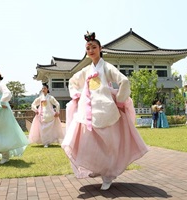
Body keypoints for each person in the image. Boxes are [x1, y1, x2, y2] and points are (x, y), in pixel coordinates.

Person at [61, 32, 148, 190]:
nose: (91, 50)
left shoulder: (107, 67)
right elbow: (73, 81)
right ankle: (96, 168)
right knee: (89, 143)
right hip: (87, 111)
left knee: (109, 145)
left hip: (106, 110)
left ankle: (108, 175)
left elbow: (124, 81)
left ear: (100, 49)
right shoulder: (86, 70)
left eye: (94, 47)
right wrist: (76, 95)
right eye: (88, 48)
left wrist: (120, 100)